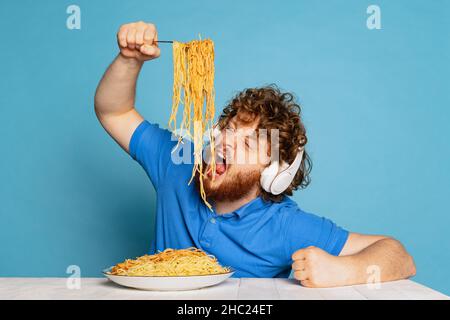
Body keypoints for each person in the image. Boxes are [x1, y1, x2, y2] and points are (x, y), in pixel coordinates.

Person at [94, 21, 416, 287]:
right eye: (229, 129)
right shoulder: (178, 166)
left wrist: (344, 270)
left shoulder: (284, 225)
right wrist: (129, 59)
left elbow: (398, 255)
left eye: (248, 144)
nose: (226, 142)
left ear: (272, 175)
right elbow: (114, 111)